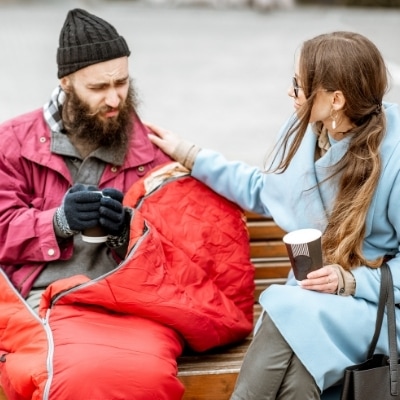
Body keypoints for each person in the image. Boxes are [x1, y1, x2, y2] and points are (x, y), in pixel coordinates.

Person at [0, 8, 254, 400]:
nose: (115, 97)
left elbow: (186, 256)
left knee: (141, 375)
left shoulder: (153, 154)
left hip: (136, 306)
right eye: (99, 87)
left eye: (122, 82)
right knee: (70, 374)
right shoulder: (12, 143)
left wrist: (128, 233)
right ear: (66, 82)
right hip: (47, 302)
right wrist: (58, 222)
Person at [147, 31, 400, 399]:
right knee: (297, 378)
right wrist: (189, 154)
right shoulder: (303, 130)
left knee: (285, 310)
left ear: (336, 100)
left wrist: (351, 282)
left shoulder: (395, 157)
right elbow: (263, 190)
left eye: (299, 85)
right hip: (314, 300)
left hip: (373, 308)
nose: (290, 92)